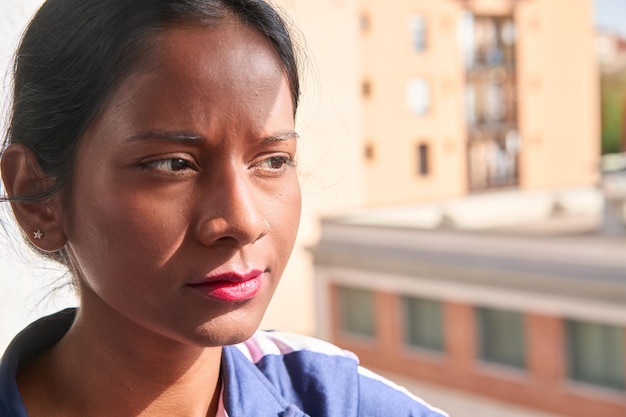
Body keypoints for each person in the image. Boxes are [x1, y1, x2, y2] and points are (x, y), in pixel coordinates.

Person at [0, 1, 447, 416]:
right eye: (174, 164)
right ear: (39, 198)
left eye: (273, 161)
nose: (245, 221)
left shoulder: (339, 401)